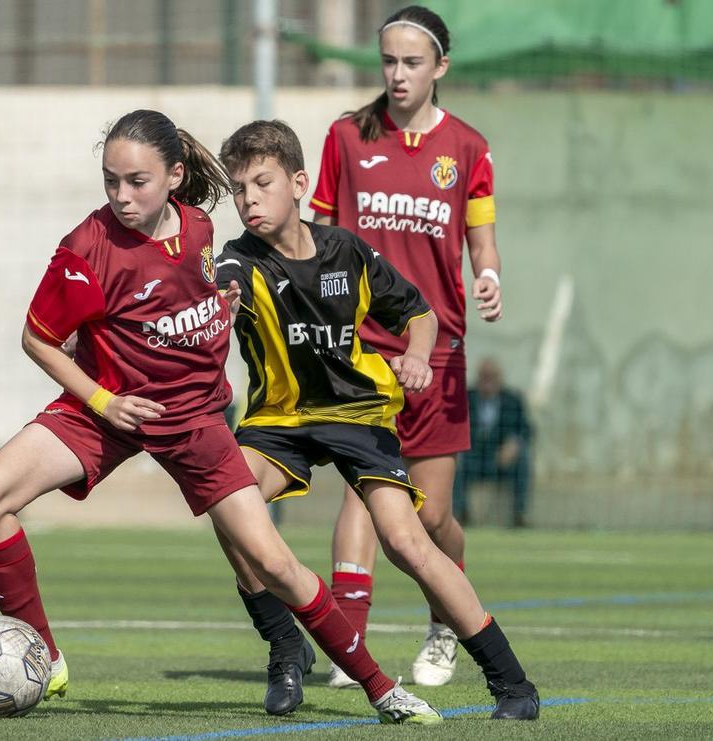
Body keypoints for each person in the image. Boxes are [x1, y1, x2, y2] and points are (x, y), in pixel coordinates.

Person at [0, 109, 442, 725]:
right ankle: (44, 659)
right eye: (111, 181)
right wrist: (104, 400)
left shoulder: (200, 230)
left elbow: (197, 305)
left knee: (273, 562)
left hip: (192, 419)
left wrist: (218, 310)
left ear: (174, 177)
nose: (121, 196)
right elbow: (38, 339)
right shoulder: (86, 248)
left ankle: (383, 689)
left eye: (137, 181)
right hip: (111, 409)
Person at [215, 119, 539, 720]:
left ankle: (512, 684)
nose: (249, 199)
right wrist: (219, 301)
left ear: (299, 182)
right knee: (230, 503)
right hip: (278, 420)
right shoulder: (239, 261)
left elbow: (420, 314)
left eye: (262, 183)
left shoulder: (346, 250)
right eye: (238, 189)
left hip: (359, 414)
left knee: (407, 542)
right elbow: (221, 288)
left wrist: (417, 356)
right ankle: (287, 649)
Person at [306, 4, 505, 688]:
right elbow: (319, 235)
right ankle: (348, 641)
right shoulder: (345, 137)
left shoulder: (469, 150)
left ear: (440, 68)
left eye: (412, 62)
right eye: (388, 61)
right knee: (363, 492)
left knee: (432, 514)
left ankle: (445, 621)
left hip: (440, 349)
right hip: (362, 348)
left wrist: (488, 276)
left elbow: (480, 239)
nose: (397, 74)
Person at [454, 358, 533, 527]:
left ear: (500, 378)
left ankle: (520, 514)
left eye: (492, 377)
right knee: (453, 462)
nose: (488, 382)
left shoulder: (512, 400)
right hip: (472, 458)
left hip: (501, 460)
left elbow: (526, 429)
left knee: (523, 459)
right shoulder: (466, 398)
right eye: (484, 377)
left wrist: (514, 443)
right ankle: (460, 513)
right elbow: (452, 426)